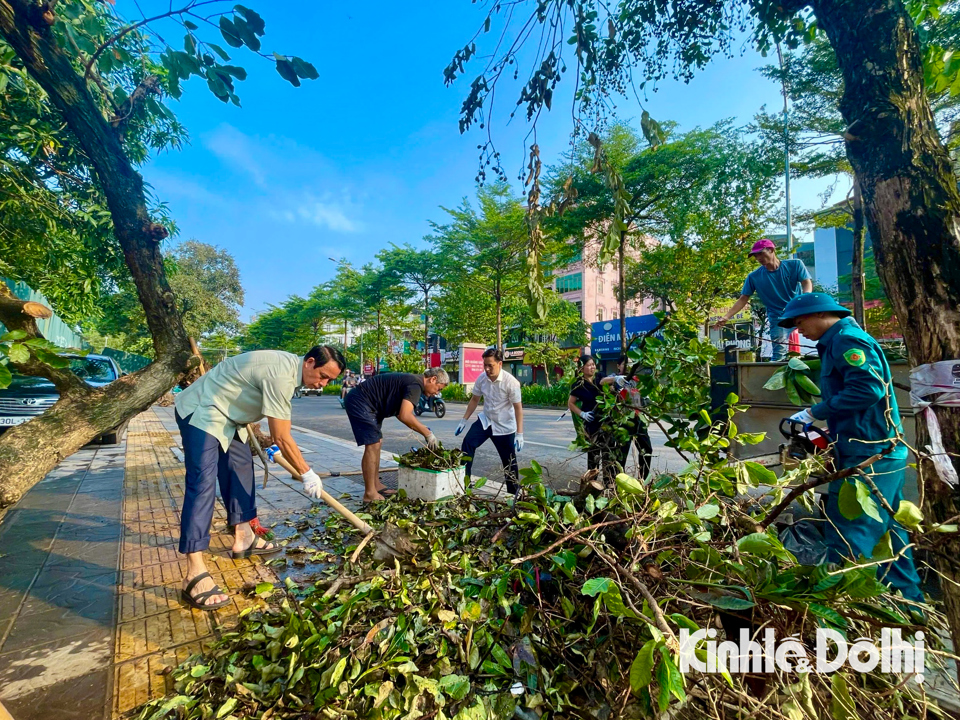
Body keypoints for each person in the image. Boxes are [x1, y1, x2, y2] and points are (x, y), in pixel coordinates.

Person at [777, 292, 923, 603]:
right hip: (868, 448)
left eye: (799, 321)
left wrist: (817, 411)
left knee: (850, 531)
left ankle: (838, 610)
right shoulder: (835, 343)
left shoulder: (846, 340)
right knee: (889, 537)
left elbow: (866, 390)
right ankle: (910, 608)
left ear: (821, 314)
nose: (797, 328)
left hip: (872, 453)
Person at [174, 345, 344, 610]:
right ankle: (193, 572)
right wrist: (307, 472)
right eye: (323, 376)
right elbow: (282, 436)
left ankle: (244, 537)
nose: (323, 383)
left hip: (231, 418)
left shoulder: (290, 371)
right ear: (309, 362)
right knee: (202, 484)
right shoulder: (282, 373)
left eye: (329, 381)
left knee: (241, 469)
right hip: (203, 411)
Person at [345, 368, 449, 502]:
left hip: (371, 405)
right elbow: (405, 415)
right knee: (373, 444)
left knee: (377, 442)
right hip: (361, 402)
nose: (436, 393)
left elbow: (402, 414)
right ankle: (369, 493)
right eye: (438, 389)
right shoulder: (416, 385)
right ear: (433, 379)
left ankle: (376, 485)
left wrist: (423, 431)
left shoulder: (414, 382)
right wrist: (428, 434)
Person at [713, 238, 813, 361]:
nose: (758, 258)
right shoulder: (754, 277)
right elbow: (743, 298)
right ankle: (775, 377)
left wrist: (805, 298)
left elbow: (806, 282)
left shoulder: (795, 265)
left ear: (771, 250)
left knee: (818, 339)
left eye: (761, 253)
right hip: (778, 318)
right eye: (755, 256)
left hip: (799, 311)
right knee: (779, 354)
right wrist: (726, 317)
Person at [568, 354, 651, 484]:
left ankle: (609, 485)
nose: (592, 367)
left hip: (607, 422)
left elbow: (605, 381)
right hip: (592, 424)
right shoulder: (578, 385)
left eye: (593, 364)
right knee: (594, 457)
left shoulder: (599, 376)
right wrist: (582, 414)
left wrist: (616, 379)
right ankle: (591, 486)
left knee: (608, 455)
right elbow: (571, 403)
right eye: (589, 365)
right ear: (581, 368)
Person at [455, 348, 524, 495]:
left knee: (509, 461)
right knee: (467, 444)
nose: (486, 369)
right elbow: (475, 400)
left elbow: (518, 409)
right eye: (484, 365)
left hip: (504, 426)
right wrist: (463, 420)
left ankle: (513, 494)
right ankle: (463, 484)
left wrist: (519, 434)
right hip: (486, 421)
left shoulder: (511, 383)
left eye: (490, 365)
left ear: (499, 363)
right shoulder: (482, 378)